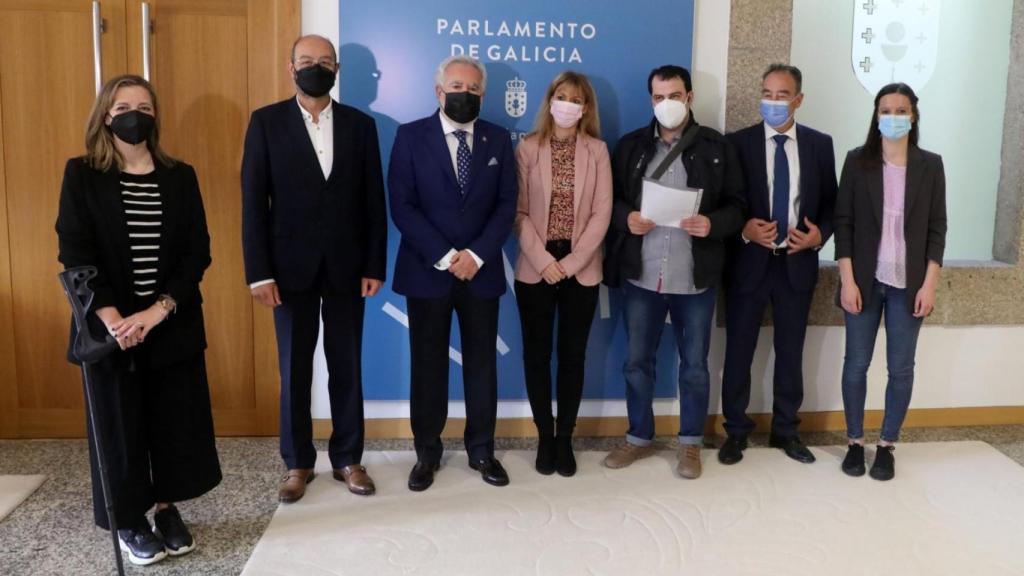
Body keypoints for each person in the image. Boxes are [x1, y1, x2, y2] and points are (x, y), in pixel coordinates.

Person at [56, 74, 221, 566]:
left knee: (172, 422)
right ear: (105, 115)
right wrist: (113, 318)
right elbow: (75, 249)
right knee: (119, 428)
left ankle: (166, 508)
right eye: (123, 105)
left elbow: (197, 252)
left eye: (144, 106)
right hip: (110, 329)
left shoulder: (179, 174)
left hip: (168, 322)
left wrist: (157, 311)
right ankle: (129, 519)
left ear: (155, 116)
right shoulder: (82, 173)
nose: (135, 114)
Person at [241, 35, 387, 503]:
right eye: (307, 61)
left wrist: (374, 263)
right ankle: (297, 462)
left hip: (348, 267)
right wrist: (259, 272)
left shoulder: (361, 126)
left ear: (337, 69)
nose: (315, 67)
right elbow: (253, 204)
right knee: (295, 369)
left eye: (324, 61)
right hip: (287, 271)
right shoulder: (265, 123)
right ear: (291, 68)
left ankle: (348, 458)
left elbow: (373, 203)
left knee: (347, 367)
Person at [602, 65, 745, 479]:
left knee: (695, 366)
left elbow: (739, 205)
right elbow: (608, 201)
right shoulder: (631, 146)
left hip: (694, 275)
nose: (668, 104)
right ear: (651, 100)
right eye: (660, 97)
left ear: (690, 96)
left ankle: (690, 445)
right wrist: (626, 218)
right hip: (642, 273)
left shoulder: (717, 147)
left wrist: (713, 225)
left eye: (675, 95)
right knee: (635, 362)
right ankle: (638, 438)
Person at [389, 55, 517, 492]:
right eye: (457, 87)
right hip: (428, 271)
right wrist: (446, 255)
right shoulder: (410, 137)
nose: (466, 94)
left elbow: (506, 206)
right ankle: (427, 452)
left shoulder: (498, 139)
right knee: (427, 366)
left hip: (480, 273)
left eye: (474, 89)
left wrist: (476, 256)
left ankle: (482, 450)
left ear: (484, 94)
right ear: (439, 92)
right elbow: (402, 206)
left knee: (482, 366)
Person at [719, 64, 837, 466]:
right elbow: (725, 203)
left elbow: (833, 205)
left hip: (796, 265)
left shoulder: (821, 145)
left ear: (798, 100)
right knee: (738, 352)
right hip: (749, 264)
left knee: (790, 352)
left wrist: (821, 235)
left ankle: (786, 431)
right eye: (766, 92)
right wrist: (744, 231)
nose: (772, 101)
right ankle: (735, 433)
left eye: (782, 94)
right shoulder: (737, 143)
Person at [835, 82, 946, 481]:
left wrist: (929, 284)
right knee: (856, 365)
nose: (893, 117)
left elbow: (937, 228)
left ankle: (886, 445)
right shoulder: (856, 161)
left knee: (900, 369)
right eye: (886, 109)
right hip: (863, 280)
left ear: (913, 115)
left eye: (901, 110)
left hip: (909, 283)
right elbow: (843, 224)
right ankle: (853, 442)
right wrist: (847, 281)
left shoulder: (930, 165)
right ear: (876, 114)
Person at [514, 71, 612, 477]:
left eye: (575, 99)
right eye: (560, 95)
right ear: (550, 100)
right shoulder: (527, 148)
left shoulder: (598, 151)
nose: (567, 104)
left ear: (585, 107)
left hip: (581, 267)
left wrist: (569, 264)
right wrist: (543, 262)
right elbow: (518, 213)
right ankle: (544, 437)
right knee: (537, 356)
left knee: (572, 356)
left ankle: (565, 438)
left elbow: (601, 214)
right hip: (536, 266)